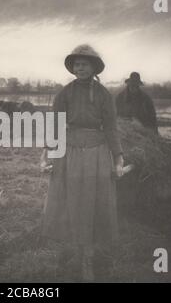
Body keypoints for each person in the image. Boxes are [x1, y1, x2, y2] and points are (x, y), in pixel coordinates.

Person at [41, 44, 124, 281]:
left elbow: (111, 128)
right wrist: (47, 154)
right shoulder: (64, 93)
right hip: (70, 152)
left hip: (98, 153)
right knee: (71, 201)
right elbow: (55, 126)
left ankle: (89, 257)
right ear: (72, 68)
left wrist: (118, 158)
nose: (80, 68)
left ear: (94, 67)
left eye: (85, 64)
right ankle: (74, 252)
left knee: (93, 203)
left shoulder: (104, 95)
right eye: (77, 64)